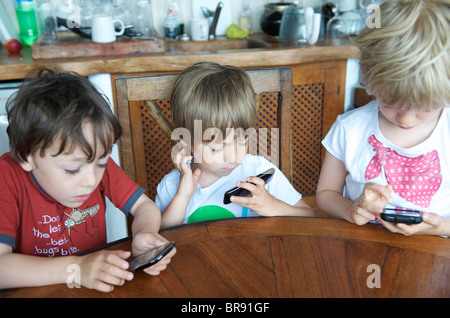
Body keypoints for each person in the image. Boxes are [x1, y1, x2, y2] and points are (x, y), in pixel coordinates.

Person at [0, 68, 175, 292]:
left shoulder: (90, 160)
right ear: (27, 156)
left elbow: (144, 206)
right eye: (72, 169)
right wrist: (76, 268)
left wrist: (144, 234)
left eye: (102, 163)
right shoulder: (7, 178)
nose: (91, 180)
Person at [316, 0, 449, 236]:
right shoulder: (350, 128)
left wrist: (439, 227)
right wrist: (351, 210)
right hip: (360, 248)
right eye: (389, 103)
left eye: (424, 107)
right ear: (370, 82)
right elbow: (326, 194)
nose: (406, 119)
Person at [156, 62, 315, 227]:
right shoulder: (172, 186)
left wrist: (272, 206)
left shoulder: (257, 170)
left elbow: (309, 216)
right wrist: (183, 196)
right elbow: (160, 239)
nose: (233, 157)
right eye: (217, 147)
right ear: (186, 140)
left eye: (242, 141)